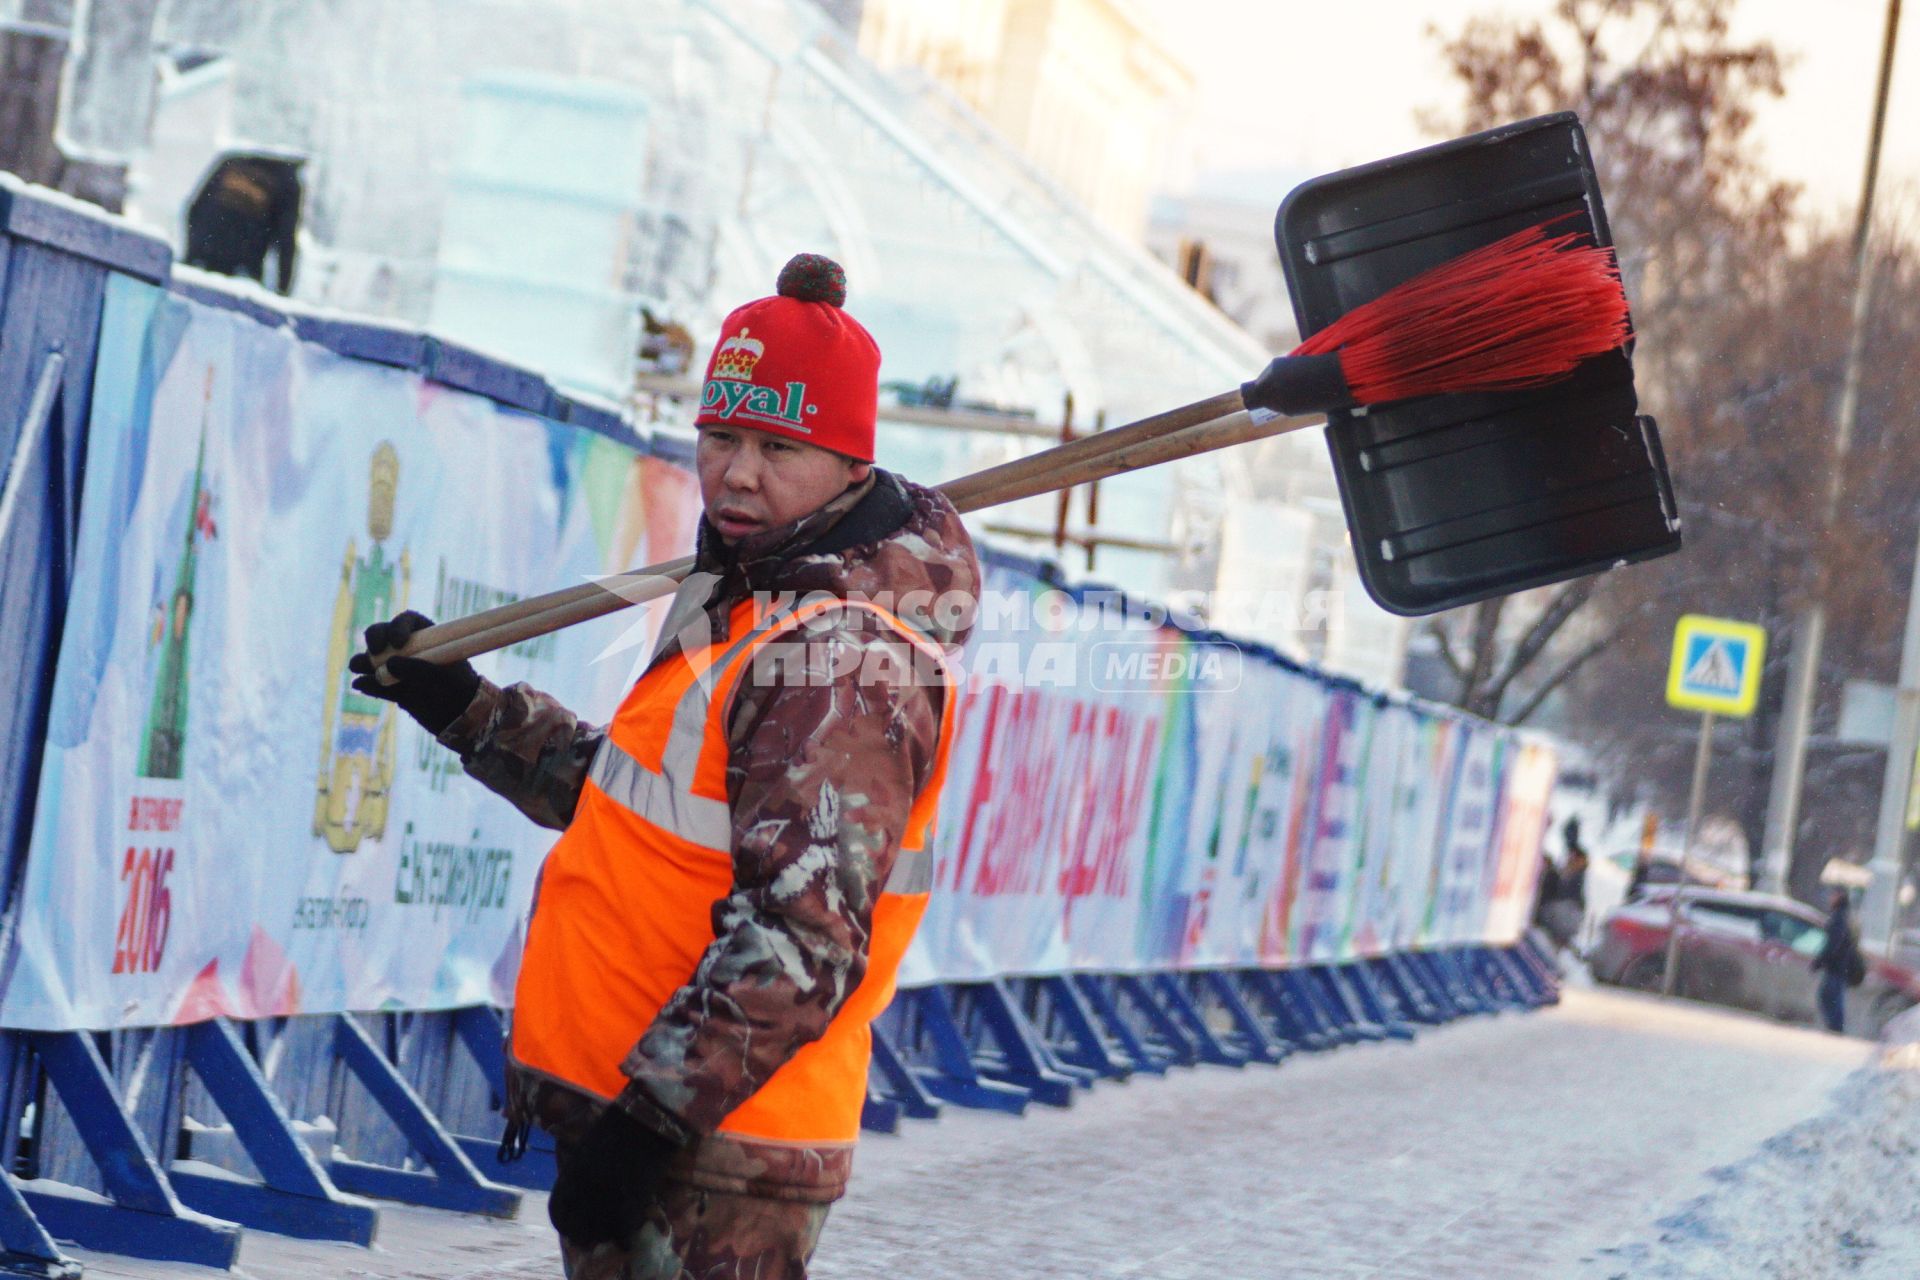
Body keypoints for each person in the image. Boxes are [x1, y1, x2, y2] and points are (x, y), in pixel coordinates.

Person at [348, 254, 980, 1278]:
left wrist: (648, 1125)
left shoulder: (839, 654)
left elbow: (803, 934)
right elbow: (639, 815)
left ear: (852, 468)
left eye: (780, 445)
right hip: (655, 1113)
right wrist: (466, 708)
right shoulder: (746, 602)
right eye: (721, 434)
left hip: (712, 1147)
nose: (737, 470)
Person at [1811, 888, 1863, 1035]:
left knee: (1830, 997)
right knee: (1831, 996)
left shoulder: (1840, 917)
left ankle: (1836, 1029)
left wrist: (1820, 961)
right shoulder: (1845, 916)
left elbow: (1834, 944)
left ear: (1840, 897)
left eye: (1832, 895)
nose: (1830, 898)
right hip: (1840, 966)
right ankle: (1835, 1027)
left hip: (1837, 966)